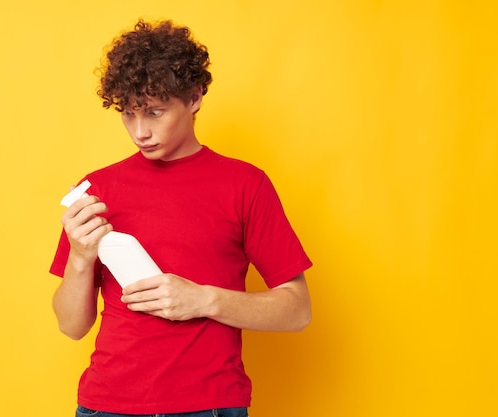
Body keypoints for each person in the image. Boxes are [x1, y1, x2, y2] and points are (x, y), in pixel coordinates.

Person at [50, 19, 312, 417]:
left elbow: (297, 311)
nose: (140, 131)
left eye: (155, 112)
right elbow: (71, 326)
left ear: (194, 97)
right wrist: (80, 258)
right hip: (107, 406)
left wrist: (202, 299)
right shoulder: (96, 190)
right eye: (128, 114)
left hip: (208, 405)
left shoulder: (245, 184)